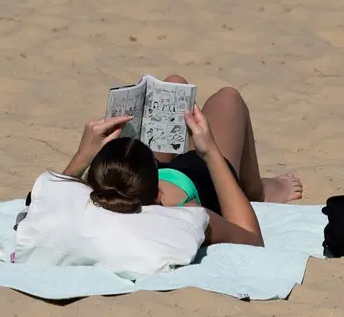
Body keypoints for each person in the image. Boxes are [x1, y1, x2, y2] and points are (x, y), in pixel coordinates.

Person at [60, 76, 303, 247]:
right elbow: (251, 240)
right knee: (229, 98)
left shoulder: (94, 200)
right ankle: (258, 190)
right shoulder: (189, 213)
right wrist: (210, 152)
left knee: (173, 83)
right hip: (203, 174)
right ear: (158, 193)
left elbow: (47, 201)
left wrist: (82, 156)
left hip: (141, 179)